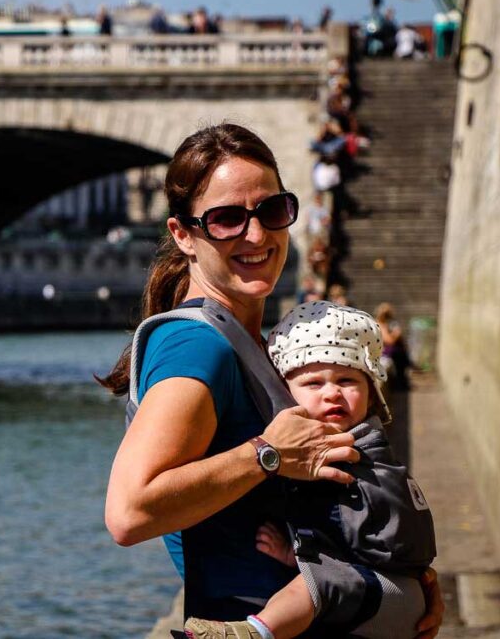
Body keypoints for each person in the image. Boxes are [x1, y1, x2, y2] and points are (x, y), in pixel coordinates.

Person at [100, 123, 443, 637]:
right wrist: (267, 453)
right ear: (183, 235)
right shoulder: (198, 346)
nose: (256, 235)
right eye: (226, 219)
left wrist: (396, 580)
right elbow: (129, 513)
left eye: (272, 211)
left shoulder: (253, 339)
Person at [186, 301, 436, 639]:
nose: (333, 393)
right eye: (314, 384)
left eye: (347, 380)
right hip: (381, 592)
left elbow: (371, 537)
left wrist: (295, 554)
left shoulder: (361, 454)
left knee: (313, 587)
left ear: (370, 393)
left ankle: (253, 633)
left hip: (387, 593)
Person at [376, 302, 412, 390]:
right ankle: (400, 383)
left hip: (392, 350)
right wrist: (396, 334)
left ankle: (401, 380)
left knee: (401, 354)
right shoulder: (380, 324)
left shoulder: (389, 324)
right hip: (385, 351)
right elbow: (389, 341)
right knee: (399, 355)